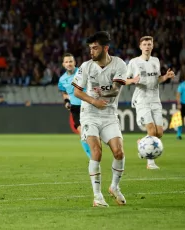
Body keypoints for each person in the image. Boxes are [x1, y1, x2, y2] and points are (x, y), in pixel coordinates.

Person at [72, 31, 127, 207]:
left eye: (95, 48)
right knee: (96, 151)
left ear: (105, 48)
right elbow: (77, 91)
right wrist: (94, 101)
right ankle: (97, 196)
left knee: (119, 152)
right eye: (90, 48)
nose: (92, 51)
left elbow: (116, 89)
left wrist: (102, 94)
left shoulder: (119, 64)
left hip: (109, 114)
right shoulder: (86, 66)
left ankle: (114, 187)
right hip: (90, 114)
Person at [125, 36, 175, 170]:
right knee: (151, 130)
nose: (147, 46)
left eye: (149, 44)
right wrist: (133, 81)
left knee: (159, 133)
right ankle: (150, 163)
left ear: (152, 46)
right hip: (142, 99)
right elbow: (124, 80)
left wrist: (165, 77)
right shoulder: (134, 62)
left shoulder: (155, 61)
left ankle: (142, 143)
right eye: (144, 44)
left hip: (155, 99)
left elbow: (157, 79)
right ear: (140, 46)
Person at [57, 53, 91, 159]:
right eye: (66, 62)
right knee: (83, 135)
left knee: (93, 133)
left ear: (75, 62)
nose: (69, 64)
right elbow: (64, 92)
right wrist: (66, 102)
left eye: (71, 61)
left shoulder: (82, 72)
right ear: (63, 64)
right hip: (75, 108)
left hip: (88, 104)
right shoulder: (62, 80)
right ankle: (92, 158)